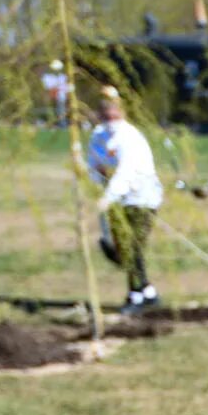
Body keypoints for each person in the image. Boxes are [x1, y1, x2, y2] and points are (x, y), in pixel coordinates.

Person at [88, 88, 165, 315]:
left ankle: (135, 295)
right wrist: (93, 179)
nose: (109, 114)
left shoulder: (130, 137)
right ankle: (148, 292)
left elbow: (126, 172)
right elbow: (93, 165)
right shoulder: (98, 135)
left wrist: (107, 197)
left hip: (142, 198)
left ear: (121, 110)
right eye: (104, 109)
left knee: (132, 247)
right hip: (117, 201)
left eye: (113, 109)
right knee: (124, 247)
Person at [41, 59, 70, 126]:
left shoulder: (63, 77)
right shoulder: (48, 77)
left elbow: (66, 88)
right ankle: (55, 124)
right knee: (56, 111)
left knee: (61, 111)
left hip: (61, 97)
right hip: (55, 97)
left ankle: (62, 124)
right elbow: (50, 88)